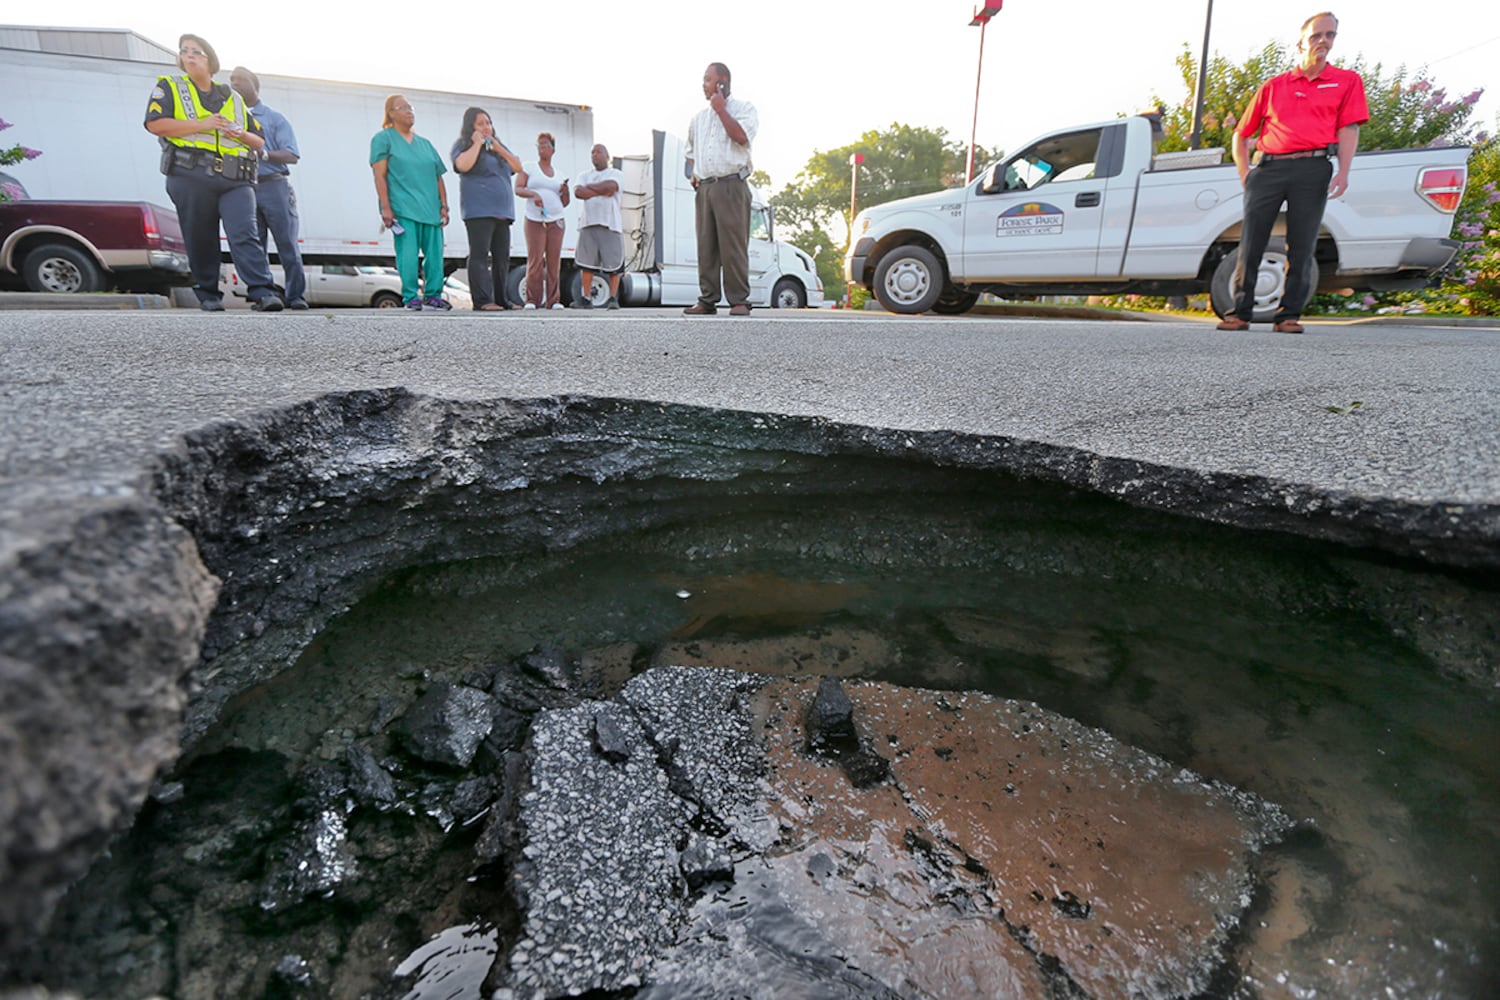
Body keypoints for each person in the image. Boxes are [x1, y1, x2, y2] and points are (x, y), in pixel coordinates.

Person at [1217, 11, 1368, 334]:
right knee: (1252, 240)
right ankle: (1240, 312)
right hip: (1269, 168)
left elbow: (1348, 128)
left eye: (1330, 35)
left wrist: (1344, 171)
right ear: (1301, 42)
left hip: (1313, 168)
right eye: (1316, 36)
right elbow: (1241, 134)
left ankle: (1288, 316)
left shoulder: (1346, 81)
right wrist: (1245, 171)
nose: (1323, 41)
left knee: (1302, 242)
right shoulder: (1274, 86)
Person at [144, 33, 283, 312]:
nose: (189, 55)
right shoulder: (170, 87)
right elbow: (155, 124)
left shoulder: (232, 97)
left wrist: (239, 132)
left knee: (244, 232)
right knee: (200, 235)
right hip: (190, 173)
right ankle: (208, 293)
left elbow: (258, 141)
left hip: (235, 177)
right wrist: (203, 124)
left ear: (211, 60)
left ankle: (263, 291)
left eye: (196, 51)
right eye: (184, 51)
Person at [229, 66, 307, 310]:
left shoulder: (274, 118)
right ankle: (267, 296)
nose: (235, 83)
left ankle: (296, 296)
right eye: (232, 80)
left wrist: (262, 153)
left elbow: (292, 155)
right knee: (255, 245)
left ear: (256, 86)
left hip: (274, 186)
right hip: (244, 188)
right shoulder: (229, 118)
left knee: (287, 244)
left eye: (241, 80)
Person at [683, 62, 758, 317]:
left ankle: (739, 300)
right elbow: (690, 152)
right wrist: (694, 172)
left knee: (733, 245)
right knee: (707, 246)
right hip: (705, 187)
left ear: (722, 82)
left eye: (707, 79)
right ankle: (707, 299)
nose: (703, 85)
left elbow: (741, 137)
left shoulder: (744, 109)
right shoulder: (698, 119)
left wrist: (721, 109)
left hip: (732, 185)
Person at [370, 94, 451, 311]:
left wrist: (444, 205)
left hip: (430, 208)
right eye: (403, 107)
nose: (409, 111)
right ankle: (410, 296)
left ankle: (433, 295)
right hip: (403, 207)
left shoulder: (425, 144)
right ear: (391, 113)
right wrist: (385, 207)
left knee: (435, 255)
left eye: (411, 107)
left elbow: (438, 176)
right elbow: (379, 175)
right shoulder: (383, 139)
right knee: (408, 254)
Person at [452, 107, 524, 311]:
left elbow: (517, 166)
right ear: (471, 127)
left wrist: (498, 148)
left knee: (502, 258)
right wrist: (477, 143)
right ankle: (482, 300)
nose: (486, 127)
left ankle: (502, 299)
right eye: (480, 123)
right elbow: (463, 165)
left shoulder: (498, 148)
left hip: (503, 212)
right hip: (479, 211)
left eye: (488, 122)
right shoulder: (463, 145)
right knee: (480, 255)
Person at [515, 133, 569, 310]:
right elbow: (519, 188)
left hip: (556, 219)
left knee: (554, 261)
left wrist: (565, 190)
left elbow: (565, 202)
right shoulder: (529, 168)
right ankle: (532, 300)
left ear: (553, 149)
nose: (541, 148)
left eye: (545, 145)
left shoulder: (559, 174)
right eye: (539, 145)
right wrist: (534, 194)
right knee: (535, 259)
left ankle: (553, 300)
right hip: (534, 219)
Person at [571, 143, 625, 310]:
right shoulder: (584, 175)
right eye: (592, 152)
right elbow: (578, 192)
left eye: (598, 152)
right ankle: (586, 298)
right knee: (586, 264)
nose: (595, 155)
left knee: (614, 264)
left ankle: (613, 298)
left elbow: (612, 187)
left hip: (610, 224)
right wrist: (601, 190)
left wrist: (590, 189)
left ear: (607, 156)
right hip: (588, 223)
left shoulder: (615, 173)